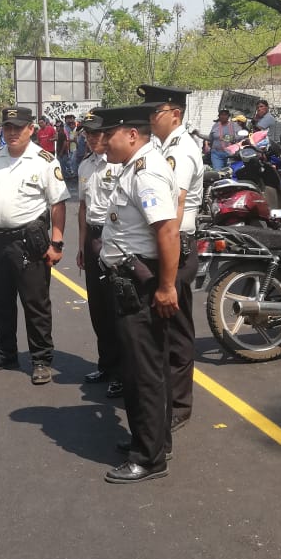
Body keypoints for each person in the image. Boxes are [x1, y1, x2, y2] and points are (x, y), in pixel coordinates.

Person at [97, 105, 179, 483]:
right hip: (131, 281)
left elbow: (167, 231)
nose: (102, 144)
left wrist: (165, 287)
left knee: (143, 371)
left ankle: (148, 458)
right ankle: (151, 440)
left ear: (131, 134)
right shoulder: (134, 168)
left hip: (142, 284)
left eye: (108, 136)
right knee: (144, 367)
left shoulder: (146, 173)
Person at [0, 106, 69, 384]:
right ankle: (5, 352)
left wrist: (57, 242)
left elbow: (58, 204)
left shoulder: (44, 161)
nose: (12, 132)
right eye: (8, 127)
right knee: (0, 301)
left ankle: (41, 359)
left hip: (30, 242)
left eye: (18, 127)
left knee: (35, 303)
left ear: (31, 129)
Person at [138, 84, 206, 433]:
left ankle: (179, 404)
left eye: (156, 112)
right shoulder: (160, 147)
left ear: (175, 114)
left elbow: (174, 204)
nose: (150, 117)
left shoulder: (182, 149)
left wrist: (166, 251)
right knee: (161, 329)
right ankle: (164, 397)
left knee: (177, 331)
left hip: (177, 245)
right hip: (166, 245)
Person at [76, 110, 124, 398]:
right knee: (98, 307)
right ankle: (106, 364)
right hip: (93, 238)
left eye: (96, 133)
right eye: (88, 133)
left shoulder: (118, 165)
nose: (92, 138)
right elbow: (82, 208)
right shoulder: (85, 166)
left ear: (108, 134)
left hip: (114, 239)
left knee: (116, 306)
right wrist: (81, 245)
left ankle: (122, 371)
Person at [57, 113, 80, 179]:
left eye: (71, 119)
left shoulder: (76, 128)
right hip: (69, 148)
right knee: (70, 161)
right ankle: (72, 173)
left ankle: (75, 174)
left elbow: (73, 139)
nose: (69, 121)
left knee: (73, 161)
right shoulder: (66, 127)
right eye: (68, 119)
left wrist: (70, 140)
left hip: (75, 148)